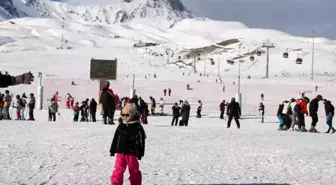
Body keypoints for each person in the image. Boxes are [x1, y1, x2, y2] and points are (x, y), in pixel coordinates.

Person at [109, 103, 146, 185]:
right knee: (118, 168)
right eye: (123, 115)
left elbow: (141, 141)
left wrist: (140, 153)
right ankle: (116, 182)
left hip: (131, 152)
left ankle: (135, 183)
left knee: (133, 169)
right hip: (120, 152)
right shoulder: (121, 126)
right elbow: (116, 138)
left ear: (132, 115)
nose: (125, 117)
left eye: (127, 115)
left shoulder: (137, 126)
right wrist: (113, 149)